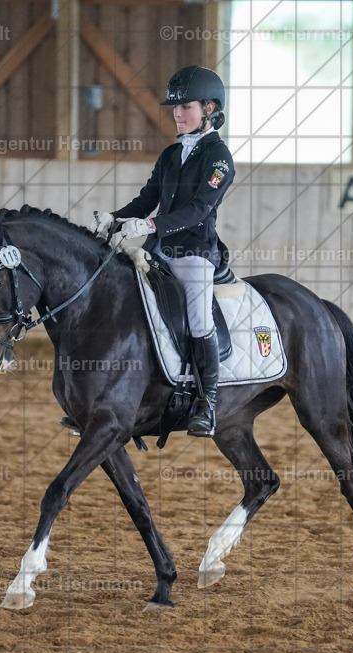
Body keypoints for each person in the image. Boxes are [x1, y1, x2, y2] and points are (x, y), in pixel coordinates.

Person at [91, 65, 235, 438]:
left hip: (194, 253)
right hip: (156, 251)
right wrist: (116, 217)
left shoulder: (219, 158)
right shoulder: (171, 154)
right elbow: (147, 199)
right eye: (174, 107)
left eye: (185, 107)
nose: (177, 113)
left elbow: (200, 209)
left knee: (200, 320)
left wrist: (153, 225)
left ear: (209, 109)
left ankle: (206, 403)